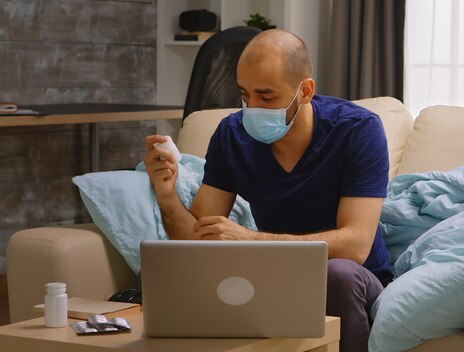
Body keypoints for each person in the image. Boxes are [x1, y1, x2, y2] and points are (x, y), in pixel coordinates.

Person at [144, 29, 394, 352]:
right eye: (244, 95)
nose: (252, 108)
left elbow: (356, 246)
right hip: (272, 276)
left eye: (266, 96)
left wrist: (249, 240)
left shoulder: (358, 131)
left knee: (337, 274)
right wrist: (166, 194)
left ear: (304, 91)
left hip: (357, 280)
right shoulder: (232, 135)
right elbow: (196, 241)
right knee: (164, 276)